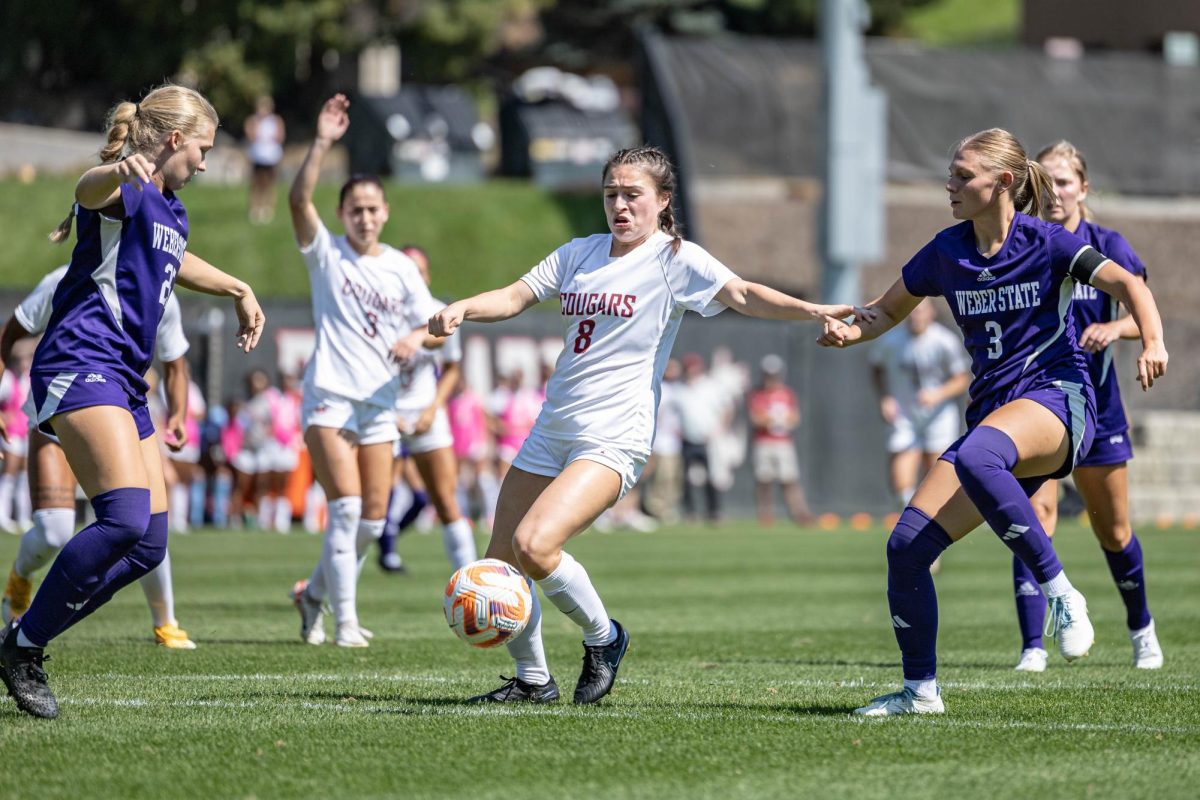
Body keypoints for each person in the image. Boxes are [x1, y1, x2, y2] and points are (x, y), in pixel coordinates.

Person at [428, 145, 861, 705]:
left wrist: (814, 311)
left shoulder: (673, 258)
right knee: (500, 564)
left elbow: (743, 293)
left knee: (535, 545)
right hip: (552, 428)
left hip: (614, 437)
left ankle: (604, 639)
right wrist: (464, 307)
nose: (620, 206)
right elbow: (514, 296)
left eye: (632, 194)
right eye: (611, 194)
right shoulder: (579, 253)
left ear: (661, 201)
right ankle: (533, 681)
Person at [818, 128, 1167, 717]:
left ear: (1002, 183)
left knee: (982, 456)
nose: (949, 185)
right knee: (906, 548)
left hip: (1060, 402)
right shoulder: (945, 251)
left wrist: (1152, 341)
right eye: (950, 174)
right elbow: (885, 310)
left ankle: (1061, 593)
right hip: (993, 418)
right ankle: (920, 693)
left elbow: (1128, 283)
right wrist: (851, 330)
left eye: (962, 176)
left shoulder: (1049, 242)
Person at [0, 83, 264, 719]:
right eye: (203, 147)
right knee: (120, 519)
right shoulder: (128, 186)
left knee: (148, 544)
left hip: (122, 377)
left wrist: (237, 286)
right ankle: (23, 647)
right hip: (79, 362)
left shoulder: (170, 206)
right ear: (174, 140)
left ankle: (22, 638)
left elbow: (178, 261)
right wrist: (115, 170)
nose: (205, 160)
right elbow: (90, 193)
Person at [286, 95, 442, 648]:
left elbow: (439, 325)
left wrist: (416, 337)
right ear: (342, 214)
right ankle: (345, 622)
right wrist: (324, 140)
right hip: (330, 393)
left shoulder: (402, 266)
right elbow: (298, 197)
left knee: (374, 521)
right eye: (356, 208)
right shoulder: (326, 255)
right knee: (347, 507)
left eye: (374, 208)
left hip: (380, 401)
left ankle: (313, 596)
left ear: (386, 212)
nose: (366, 216)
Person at [1009, 141, 1163, 673]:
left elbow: (1138, 298)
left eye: (1066, 182)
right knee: (1035, 520)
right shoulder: (1024, 243)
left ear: (1084, 188)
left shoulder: (1104, 242)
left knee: (1114, 531)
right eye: (1046, 183)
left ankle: (1142, 629)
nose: (1055, 193)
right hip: (1040, 405)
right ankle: (1032, 646)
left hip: (1098, 409)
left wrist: (1120, 329)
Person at [376, 244, 478, 574]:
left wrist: (433, 408)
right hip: (382, 414)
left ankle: (471, 579)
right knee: (370, 507)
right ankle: (342, 596)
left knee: (446, 501)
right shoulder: (379, 310)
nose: (413, 277)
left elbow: (450, 365)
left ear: (427, 275)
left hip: (424, 413)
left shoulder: (439, 311)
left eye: (419, 271)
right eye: (407, 270)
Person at [869, 300, 971, 509]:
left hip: (939, 415)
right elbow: (876, 368)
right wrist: (885, 397)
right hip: (904, 413)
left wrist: (938, 394)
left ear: (931, 313)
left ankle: (931, 516)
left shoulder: (944, 340)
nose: (916, 316)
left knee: (937, 469)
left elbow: (962, 378)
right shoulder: (891, 340)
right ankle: (909, 511)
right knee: (900, 473)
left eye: (921, 311)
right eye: (912, 312)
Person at [747, 354, 813, 526]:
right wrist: (776, 419)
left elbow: (794, 418)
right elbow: (756, 418)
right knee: (764, 480)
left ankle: (799, 513)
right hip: (764, 442)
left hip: (783, 442)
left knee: (789, 480)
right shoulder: (757, 394)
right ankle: (766, 515)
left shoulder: (787, 393)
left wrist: (771, 418)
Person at [244, 95, 286, 225]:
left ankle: (268, 209)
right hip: (257, 156)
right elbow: (251, 134)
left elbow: (280, 136)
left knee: (269, 184)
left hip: (271, 157)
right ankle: (255, 209)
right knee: (256, 183)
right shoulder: (253, 120)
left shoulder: (276, 120)